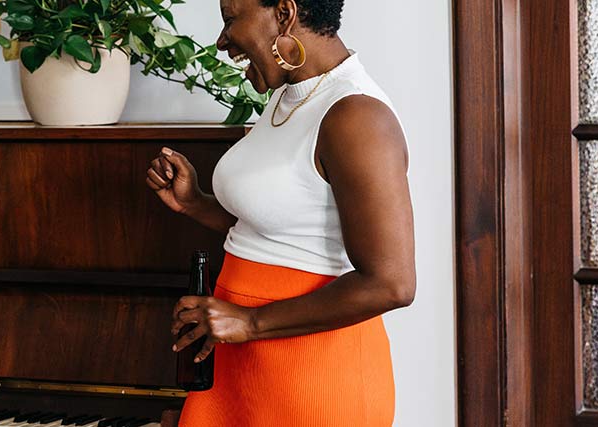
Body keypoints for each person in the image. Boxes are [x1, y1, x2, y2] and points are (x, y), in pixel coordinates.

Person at [147, 0, 415, 425]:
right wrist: (194, 203)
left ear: (285, 14)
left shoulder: (357, 116)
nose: (221, 41)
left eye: (230, 20)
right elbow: (282, 232)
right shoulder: (292, 94)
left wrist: (251, 322)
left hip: (312, 374)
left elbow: (392, 284)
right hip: (243, 363)